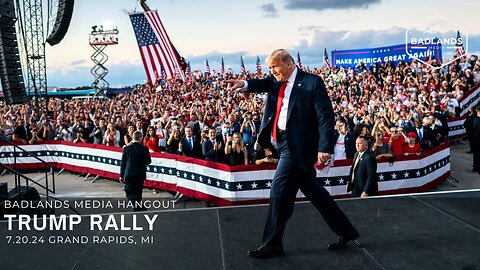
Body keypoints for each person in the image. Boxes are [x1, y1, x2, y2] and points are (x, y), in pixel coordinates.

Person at [226, 49, 358, 258]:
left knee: (278, 192)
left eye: (275, 67)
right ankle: (347, 230)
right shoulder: (276, 80)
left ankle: (272, 244)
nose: (272, 72)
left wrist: (324, 148)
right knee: (315, 193)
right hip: (283, 144)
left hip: (299, 148)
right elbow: (261, 83)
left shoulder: (312, 83)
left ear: (289, 64)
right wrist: (243, 84)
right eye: (269, 68)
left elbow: (326, 118)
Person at [119, 131, 151, 211]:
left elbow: (123, 163)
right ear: (140, 138)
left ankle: (137, 206)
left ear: (133, 138)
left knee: (128, 191)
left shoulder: (127, 148)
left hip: (130, 173)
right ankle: (138, 206)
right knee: (138, 191)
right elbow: (148, 161)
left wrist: (121, 175)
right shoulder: (144, 149)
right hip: (140, 173)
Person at [472, 107, 480, 174]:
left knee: (476, 154)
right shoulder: (478, 120)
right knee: (478, 154)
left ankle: (476, 167)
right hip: (478, 139)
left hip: (476, 138)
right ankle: (476, 167)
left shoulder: (476, 119)